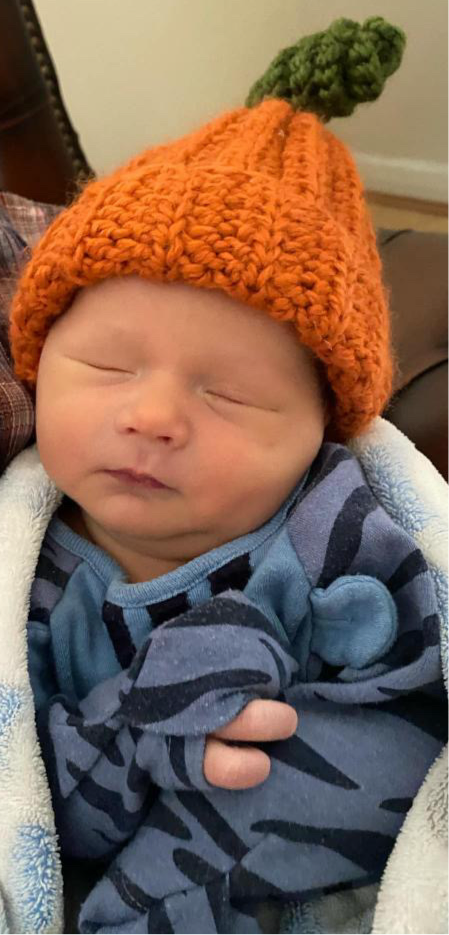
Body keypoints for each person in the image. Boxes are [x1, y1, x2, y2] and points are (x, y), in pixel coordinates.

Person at [7, 16, 446, 935]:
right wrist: (138, 723)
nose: (153, 415)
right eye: (109, 367)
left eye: (231, 393)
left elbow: (410, 731)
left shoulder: (338, 536)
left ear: (319, 430)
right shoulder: (27, 568)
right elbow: (38, 792)